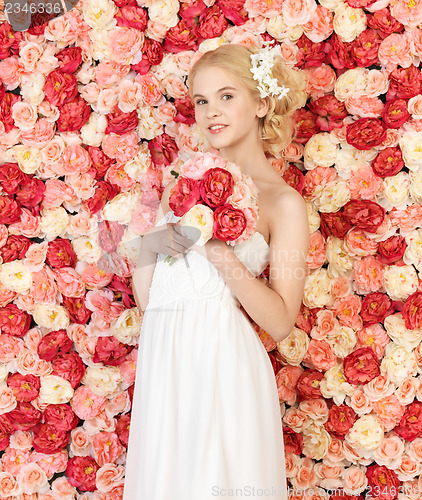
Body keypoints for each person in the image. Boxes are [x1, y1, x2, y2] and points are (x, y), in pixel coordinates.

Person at [123, 43, 310, 500]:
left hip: (223, 366)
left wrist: (220, 252)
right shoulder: (180, 189)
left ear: (261, 103)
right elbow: (153, 301)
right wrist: (151, 244)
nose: (211, 112)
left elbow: (282, 320)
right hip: (164, 363)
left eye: (226, 96)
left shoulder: (282, 203)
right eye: (202, 101)